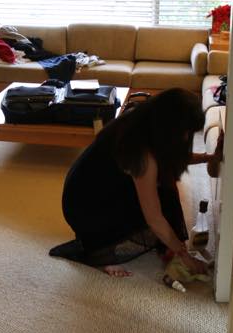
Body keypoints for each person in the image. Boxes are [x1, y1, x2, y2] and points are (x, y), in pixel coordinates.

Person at [53, 88, 218, 278]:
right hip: (86, 205)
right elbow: (154, 217)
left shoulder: (145, 121)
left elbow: (174, 156)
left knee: (164, 187)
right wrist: (185, 256)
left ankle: (168, 244)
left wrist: (208, 157)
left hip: (97, 186)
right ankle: (101, 251)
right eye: (184, 131)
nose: (186, 138)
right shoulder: (140, 151)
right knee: (156, 199)